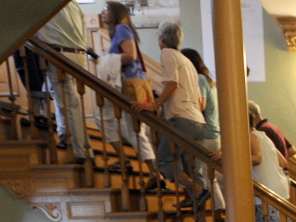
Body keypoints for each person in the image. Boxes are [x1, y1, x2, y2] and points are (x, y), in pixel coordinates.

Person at [132, 22, 208, 209]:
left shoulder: (167, 54)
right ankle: (199, 211)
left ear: (161, 39)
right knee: (190, 168)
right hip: (198, 122)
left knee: (165, 160)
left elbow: (172, 84)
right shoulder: (187, 61)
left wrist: (154, 105)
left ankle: (197, 191)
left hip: (182, 119)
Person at [99, 1, 159, 187]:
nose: (103, 12)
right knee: (110, 120)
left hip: (128, 84)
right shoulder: (120, 30)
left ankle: (153, 172)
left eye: (107, 9)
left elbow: (131, 55)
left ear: (116, 13)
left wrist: (106, 59)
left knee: (133, 129)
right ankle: (131, 161)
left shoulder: (122, 28)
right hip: (124, 84)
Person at [34, 0, 91, 162]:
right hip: (78, 53)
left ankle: (82, 150)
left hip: (60, 54)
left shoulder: (44, 5)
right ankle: (65, 133)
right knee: (64, 99)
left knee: (70, 104)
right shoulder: (72, 3)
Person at [180, 48, 225, 222]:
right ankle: (218, 216)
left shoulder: (198, 79)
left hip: (204, 134)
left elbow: (200, 105)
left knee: (200, 179)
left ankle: (204, 221)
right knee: (208, 178)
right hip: (213, 134)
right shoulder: (208, 80)